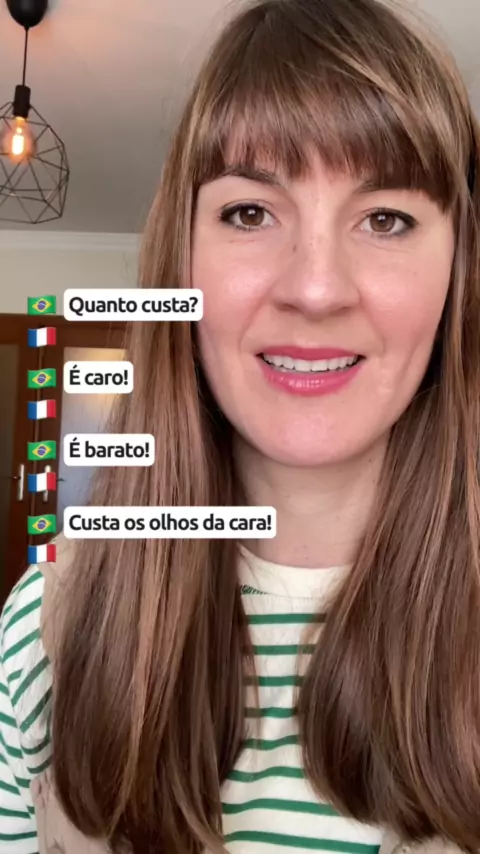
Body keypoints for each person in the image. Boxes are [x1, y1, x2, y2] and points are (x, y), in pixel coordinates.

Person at [1, 0, 480, 851]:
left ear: (458, 274)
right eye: (250, 213)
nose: (316, 288)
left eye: (387, 218)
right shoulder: (44, 631)